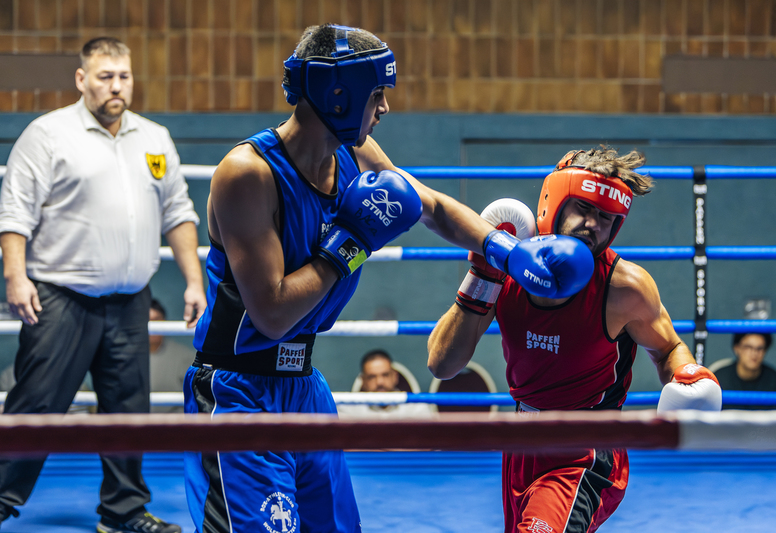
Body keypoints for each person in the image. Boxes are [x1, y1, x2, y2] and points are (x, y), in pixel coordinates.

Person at [184, 23, 558, 533]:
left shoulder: (353, 153)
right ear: (338, 94)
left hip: (304, 387)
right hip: (239, 391)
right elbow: (271, 315)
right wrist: (352, 243)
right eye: (376, 93)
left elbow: (431, 206)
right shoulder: (248, 173)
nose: (384, 108)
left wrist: (506, 251)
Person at [427, 148, 723, 533]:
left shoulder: (624, 288)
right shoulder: (509, 267)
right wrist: (484, 273)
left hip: (587, 449)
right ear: (554, 202)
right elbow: (442, 364)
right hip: (521, 442)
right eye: (583, 208)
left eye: (606, 217)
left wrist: (686, 373)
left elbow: (667, 348)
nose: (592, 224)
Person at [0, 37, 206, 533]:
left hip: (130, 301)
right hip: (59, 297)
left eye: (124, 76)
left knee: (128, 409)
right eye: (105, 76)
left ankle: (123, 510)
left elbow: (178, 212)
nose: (116, 86)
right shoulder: (48, 134)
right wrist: (15, 276)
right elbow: (14, 212)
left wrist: (194, 280)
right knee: (37, 404)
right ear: (82, 79)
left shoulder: (153, 137)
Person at [337, 349, 435, 419]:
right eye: (372, 377)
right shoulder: (348, 410)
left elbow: (426, 440)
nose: (380, 382)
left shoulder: (416, 407)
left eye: (385, 375)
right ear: (363, 381)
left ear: (395, 376)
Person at [713, 333, 776, 410]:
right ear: (737, 348)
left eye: (759, 348)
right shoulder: (719, 379)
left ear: (765, 351)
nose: (754, 353)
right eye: (748, 347)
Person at [148, 298, 197, 413]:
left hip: (175, 420)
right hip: (137, 421)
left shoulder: (184, 356)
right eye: (148, 320)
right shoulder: (129, 358)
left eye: (157, 320)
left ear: (164, 322)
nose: (153, 325)